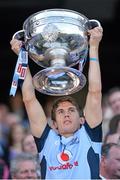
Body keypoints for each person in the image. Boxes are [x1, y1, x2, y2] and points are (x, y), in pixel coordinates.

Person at [10, 26, 103, 179]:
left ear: (82, 120)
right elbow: (29, 99)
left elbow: (95, 93)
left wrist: (93, 47)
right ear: (54, 124)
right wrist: (22, 58)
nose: (66, 114)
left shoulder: (89, 135)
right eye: (61, 112)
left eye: (71, 110)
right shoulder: (47, 140)